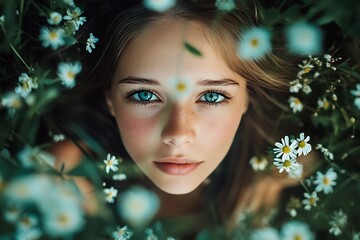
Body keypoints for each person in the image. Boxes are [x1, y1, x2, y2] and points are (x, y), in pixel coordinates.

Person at [50, 0, 315, 237]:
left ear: (247, 97)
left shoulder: (294, 180)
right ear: (111, 100)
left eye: (212, 96)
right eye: (144, 95)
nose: (178, 134)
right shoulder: (60, 176)